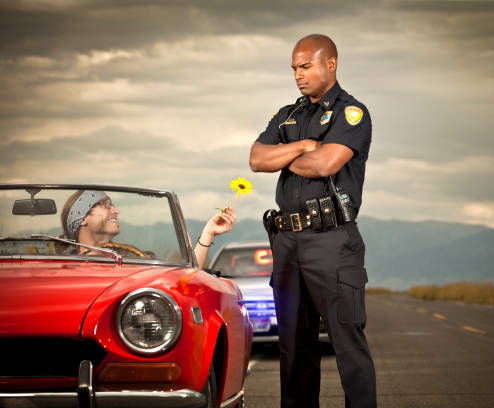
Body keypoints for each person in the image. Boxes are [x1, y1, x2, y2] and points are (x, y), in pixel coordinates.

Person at [249, 34, 376, 408]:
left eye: (306, 66)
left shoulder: (351, 113)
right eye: (294, 69)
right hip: (288, 244)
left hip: (332, 241)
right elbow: (256, 159)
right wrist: (304, 146)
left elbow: (326, 164)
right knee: (293, 347)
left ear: (330, 64)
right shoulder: (288, 114)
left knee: (347, 343)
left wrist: (283, 155)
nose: (298, 76)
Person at [61, 189, 236, 268]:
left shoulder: (134, 258)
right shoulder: (60, 264)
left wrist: (208, 233)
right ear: (82, 218)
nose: (116, 210)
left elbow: (186, 275)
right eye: (105, 205)